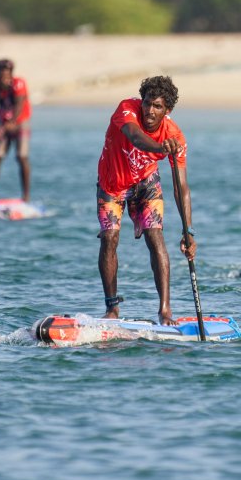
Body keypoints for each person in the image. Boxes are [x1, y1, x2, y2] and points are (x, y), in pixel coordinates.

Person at [96, 76, 195, 326]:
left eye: (158, 107)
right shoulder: (127, 109)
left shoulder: (176, 136)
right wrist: (162, 149)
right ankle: (112, 309)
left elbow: (181, 187)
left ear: (167, 110)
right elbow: (135, 137)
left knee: (155, 236)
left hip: (146, 183)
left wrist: (188, 230)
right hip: (112, 183)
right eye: (148, 103)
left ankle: (164, 311)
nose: (150, 111)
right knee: (110, 237)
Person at [0, 58, 31, 203]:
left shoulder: (18, 83)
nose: (4, 75)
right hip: (3, 123)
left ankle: (26, 197)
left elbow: (19, 104)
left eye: (7, 71)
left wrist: (13, 122)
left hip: (21, 121)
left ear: (11, 73)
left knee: (22, 157)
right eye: (1, 71)